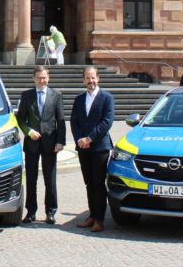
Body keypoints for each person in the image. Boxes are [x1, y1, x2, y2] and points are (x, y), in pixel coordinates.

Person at [16, 65, 66, 224]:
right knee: (31, 179)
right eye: (38, 78)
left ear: (48, 78)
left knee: (50, 179)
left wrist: (60, 141)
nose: (41, 80)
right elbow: (20, 119)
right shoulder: (26, 95)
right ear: (34, 79)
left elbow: (61, 121)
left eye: (44, 77)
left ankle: (51, 212)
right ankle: (30, 212)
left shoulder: (56, 95)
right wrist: (28, 131)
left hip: (51, 143)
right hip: (32, 143)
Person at [69, 66, 115, 233]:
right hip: (83, 148)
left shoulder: (107, 98)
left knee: (98, 184)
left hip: (100, 147)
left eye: (93, 78)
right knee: (89, 183)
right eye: (88, 78)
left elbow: (107, 122)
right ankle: (91, 215)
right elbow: (74, 121)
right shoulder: (79, 99)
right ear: (83, 80)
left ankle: (100, 220)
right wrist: (80, 139)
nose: (91, 81)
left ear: (98, 78)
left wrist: (90, 138)